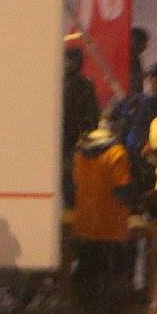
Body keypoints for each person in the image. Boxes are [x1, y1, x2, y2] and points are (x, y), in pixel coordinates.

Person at [70, 103, 139, 314]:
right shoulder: (117, 153)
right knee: (114, 277)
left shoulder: (81, 150)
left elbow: (76, 183)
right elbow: (122, 190)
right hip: (111, 226)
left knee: (87, 276)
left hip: (85, 223)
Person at [62, 47, 99, 207]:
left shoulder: (83, 85)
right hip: (69, 139)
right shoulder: (59, 83)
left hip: (72, 139)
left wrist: (87, 132)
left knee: (69, 177)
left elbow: (92, 114)